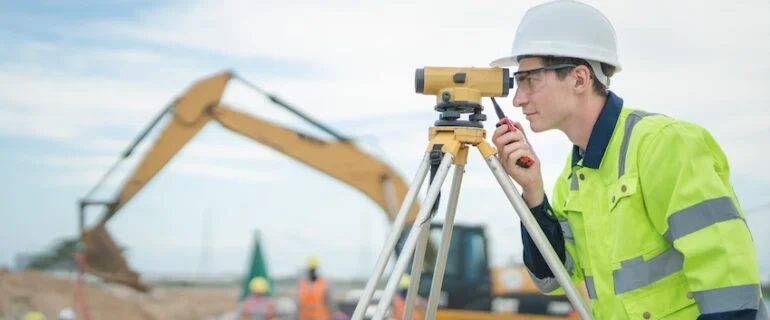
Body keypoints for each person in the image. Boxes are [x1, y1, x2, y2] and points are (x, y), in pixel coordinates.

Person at [489, 0, 766, 319]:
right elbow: (553, 277)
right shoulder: (575, 174)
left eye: (530, 79)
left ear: (580, 79)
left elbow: (728, 281)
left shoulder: (664, 144)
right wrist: (533, 193)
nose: (517, 98)